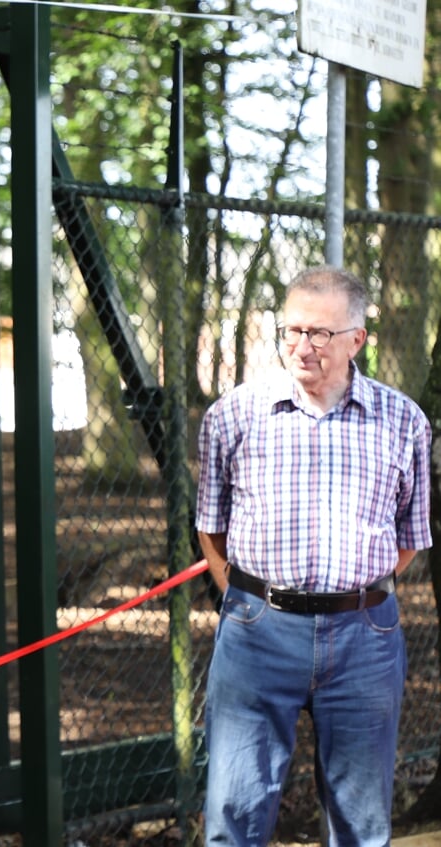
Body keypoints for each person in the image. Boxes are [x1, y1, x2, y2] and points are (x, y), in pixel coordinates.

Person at [195, 265, 432, 846]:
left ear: (358, 339)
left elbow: (410, 537)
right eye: (292, 330)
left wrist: (353, 588)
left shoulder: (404, 423)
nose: (303, 346)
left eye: (321, 334)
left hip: (365, 637)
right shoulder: (232, 416)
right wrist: (247, 596)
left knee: (360, 820)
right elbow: (211, 527)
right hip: (256, 632)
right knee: (235, 810)